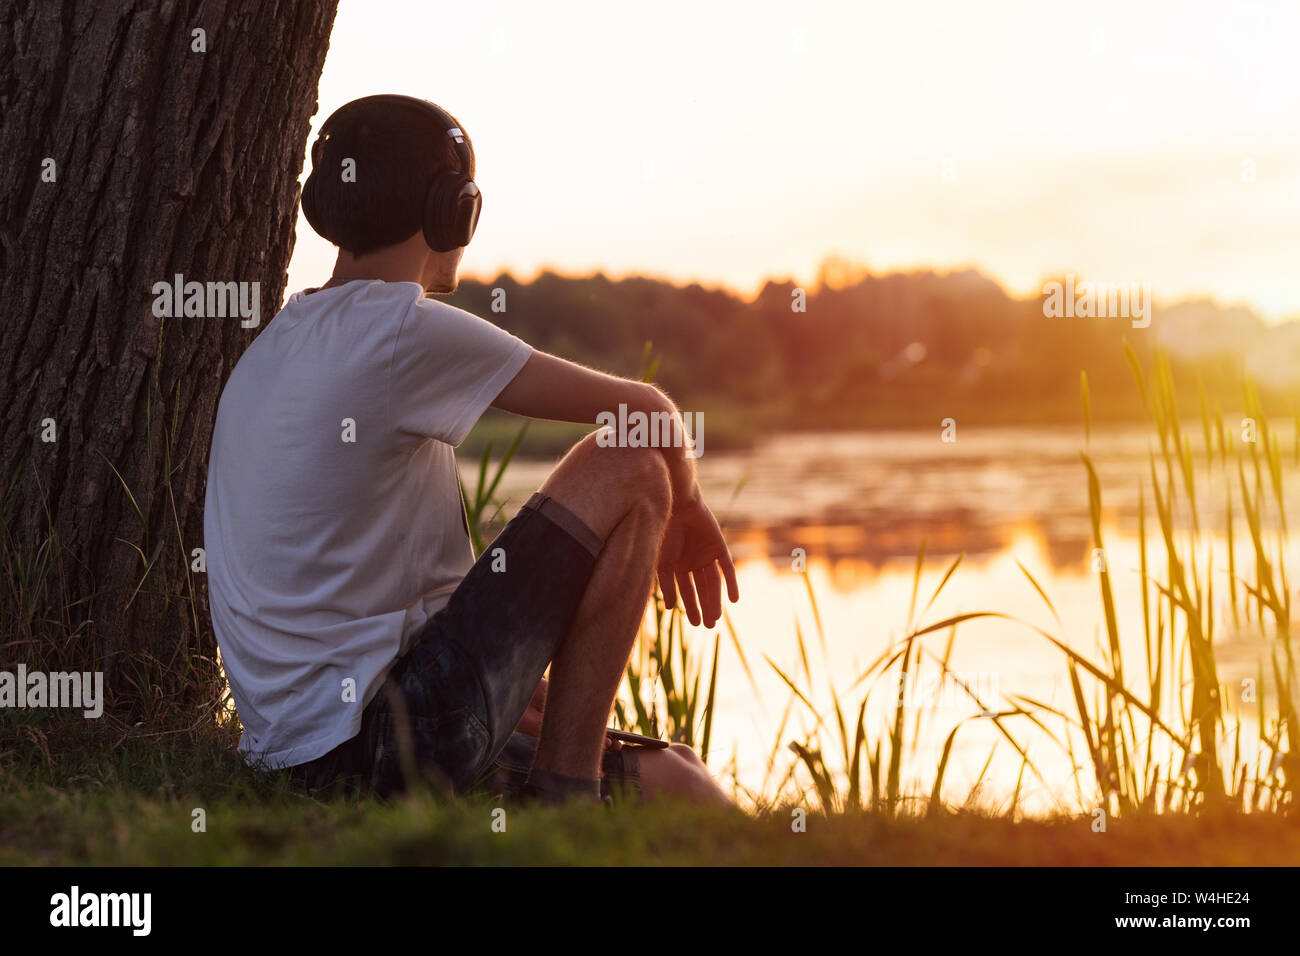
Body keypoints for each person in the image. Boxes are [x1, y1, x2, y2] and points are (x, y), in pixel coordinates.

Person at [203, 94, 739, 806]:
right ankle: (566, 797)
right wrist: (690, 511)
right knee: (633, 465)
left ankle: (577, 778)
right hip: (381, 749)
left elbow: (382, 611)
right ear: (455, 211)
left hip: (302, 756)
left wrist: (522, 690)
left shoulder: (276, 344)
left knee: (675, 768)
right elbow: (646, 412)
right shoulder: (398, 330)